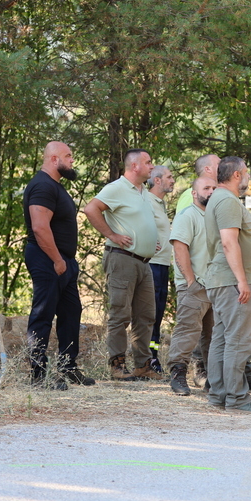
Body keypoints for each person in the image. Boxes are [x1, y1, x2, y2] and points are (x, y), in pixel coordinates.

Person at [84, 149, 162, 382]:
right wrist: (112, 235)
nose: (152, 166)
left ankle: (142, 366)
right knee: (120, 314)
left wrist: (150, 241)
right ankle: (117, 365)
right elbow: (90, 209)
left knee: (146, 315)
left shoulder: (143, 191)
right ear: (134, 166)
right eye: (148, 162)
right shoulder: (116, 188)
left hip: (144, 262)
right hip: (122, 259)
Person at [23, 142, 94, 390]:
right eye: (68, 156)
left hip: (63, 261)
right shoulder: (43, 185)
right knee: (43, 314)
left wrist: (65, 261)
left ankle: (68, 367)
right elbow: (39, 227)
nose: (72, 160)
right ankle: (38, 374)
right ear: (54, 159)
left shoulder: (55, 186)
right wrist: (57, 260)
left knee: (71, 312)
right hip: (48, 258)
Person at [204, 156, 251, 413]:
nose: (248, 178)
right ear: (236, 175)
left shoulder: (222, 199)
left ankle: (219, 395)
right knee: (239, 340)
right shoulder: (227, 200)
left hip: (226, 280)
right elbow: (229, 242)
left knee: (223, 339)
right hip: (232, 281)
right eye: (246, 173)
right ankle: (237, 398)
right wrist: (242, 280)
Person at [166, 177, 217, 395]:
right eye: (206, 188)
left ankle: (214, 381)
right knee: (187, 331)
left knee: (214, 336)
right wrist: (190, 281)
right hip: (195, 285)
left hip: (216, 286)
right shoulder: (187, 215)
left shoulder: (217, 217)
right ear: (194, 194)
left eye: (214, 188)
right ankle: (177, 375)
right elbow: (180, 248)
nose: (211, 191)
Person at [147, 165, 175, 373]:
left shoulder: (160, 204)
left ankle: (153, 357)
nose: (173, 180)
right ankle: (148, 359)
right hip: (152, 264)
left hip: (163, 264)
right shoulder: (146, 200)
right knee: (150, 314)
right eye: (169, 177)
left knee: (158, 315)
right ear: (157, 180)